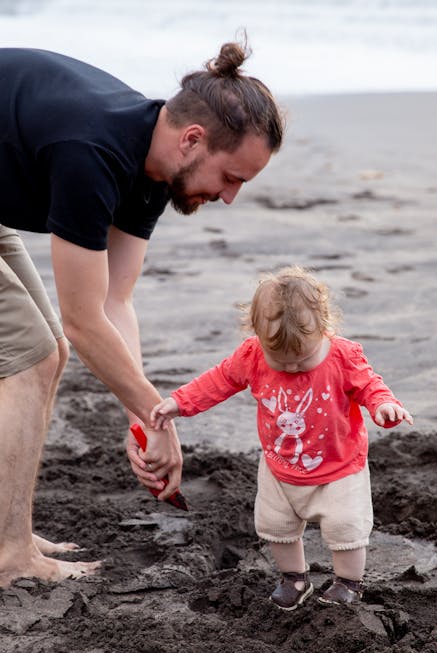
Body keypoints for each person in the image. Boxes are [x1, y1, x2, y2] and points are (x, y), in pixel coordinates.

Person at [0, 40, 284, 588]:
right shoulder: (93, 150)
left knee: (47, 351)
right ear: (193, 140)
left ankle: (8, 529)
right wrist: (161, 416)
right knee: (30, 357)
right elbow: (82, 319)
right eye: (231, 178)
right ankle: (10, 553)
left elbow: (113, 302)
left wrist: (145, 421)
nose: (229, 197)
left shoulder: (155, 172)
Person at [150, 266, 413, 611]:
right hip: (279, 466)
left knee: (346, 527)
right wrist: (179, 403)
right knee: (276, 525)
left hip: (340, 467)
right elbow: (219, 381)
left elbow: (370, 385)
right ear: (256, 334)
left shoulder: (342, 356)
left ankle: (348, 583)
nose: (290, 368)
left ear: (324, 328)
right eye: (280, 361)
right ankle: (294, 579)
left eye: (301, 359)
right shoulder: (252, 355)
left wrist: (385, 406)